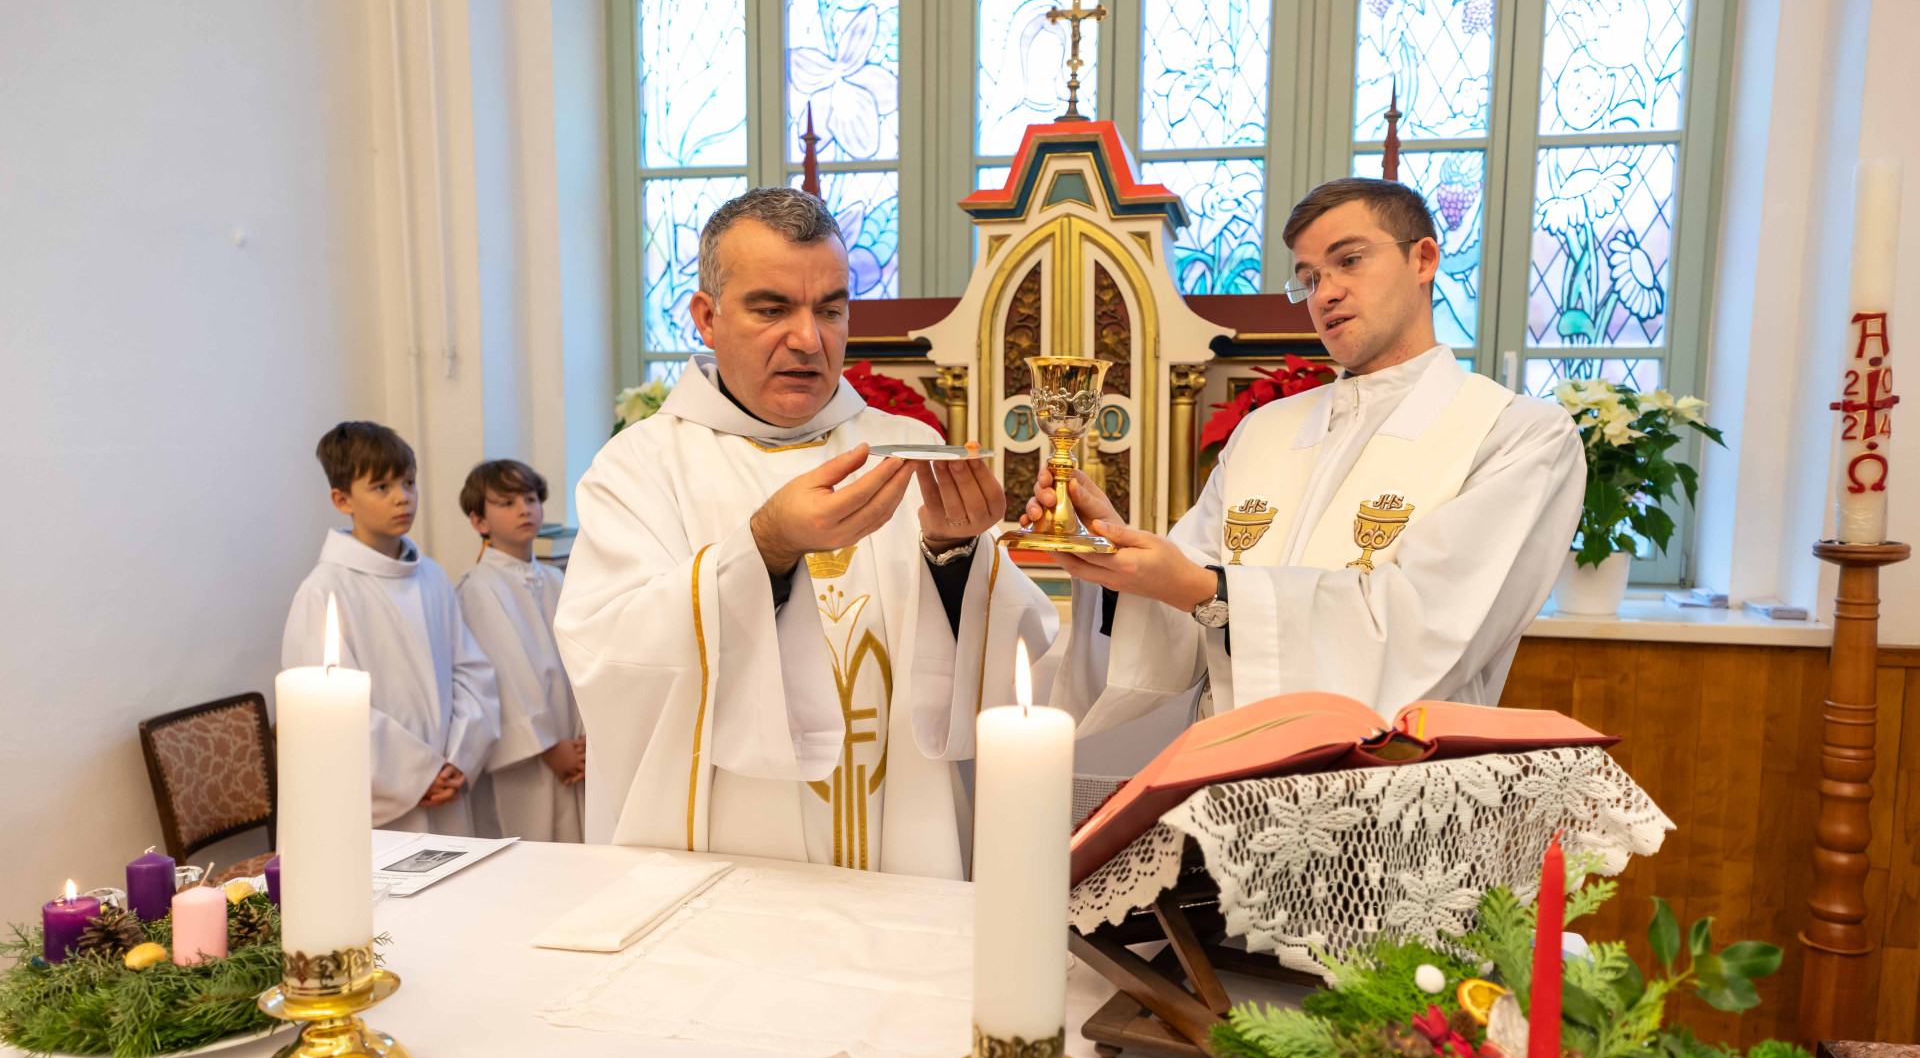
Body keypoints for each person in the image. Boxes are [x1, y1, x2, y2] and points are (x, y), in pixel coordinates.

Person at [555, 187, 1054, 878]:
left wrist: (954, 554)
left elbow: (1018, 655)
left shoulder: (908, 447)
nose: (809, 339)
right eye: (771, 308)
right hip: (729, 866)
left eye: (830, 309)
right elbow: (607, 651)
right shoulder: (640, 466)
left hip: (902, 845)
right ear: (706, 317)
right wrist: (764, 548)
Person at [1033, 177, 1584, 732]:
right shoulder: (1263, 432)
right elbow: (1180, 628)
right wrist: (1112, 555)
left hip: (1387, 785)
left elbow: (1428, 629)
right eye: (1309, 278)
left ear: (1424, 259)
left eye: (1349, 261)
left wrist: (1209, 590)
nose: (1325, 293)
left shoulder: (1516, 434)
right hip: (1226, 774)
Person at [284, 422, 500, 833]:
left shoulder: (431, 577)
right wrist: (417, 775)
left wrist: (459, 759)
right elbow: (330, 712)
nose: (403, 497)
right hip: (383, 808)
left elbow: (471, 672)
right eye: (382, 487)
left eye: (409, 482)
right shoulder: (325, 591)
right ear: (342, 498)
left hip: (446, 786)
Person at [455, 459, 585, 843]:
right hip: (529, 755)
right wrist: (549, 747)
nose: (524, 509)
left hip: (573, 745)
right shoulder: (477, 587)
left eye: (530, 498)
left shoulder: (556, 578)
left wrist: (584, 739)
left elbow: (582, 657)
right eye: (506, 502)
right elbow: (503, 674)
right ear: (480, 521)